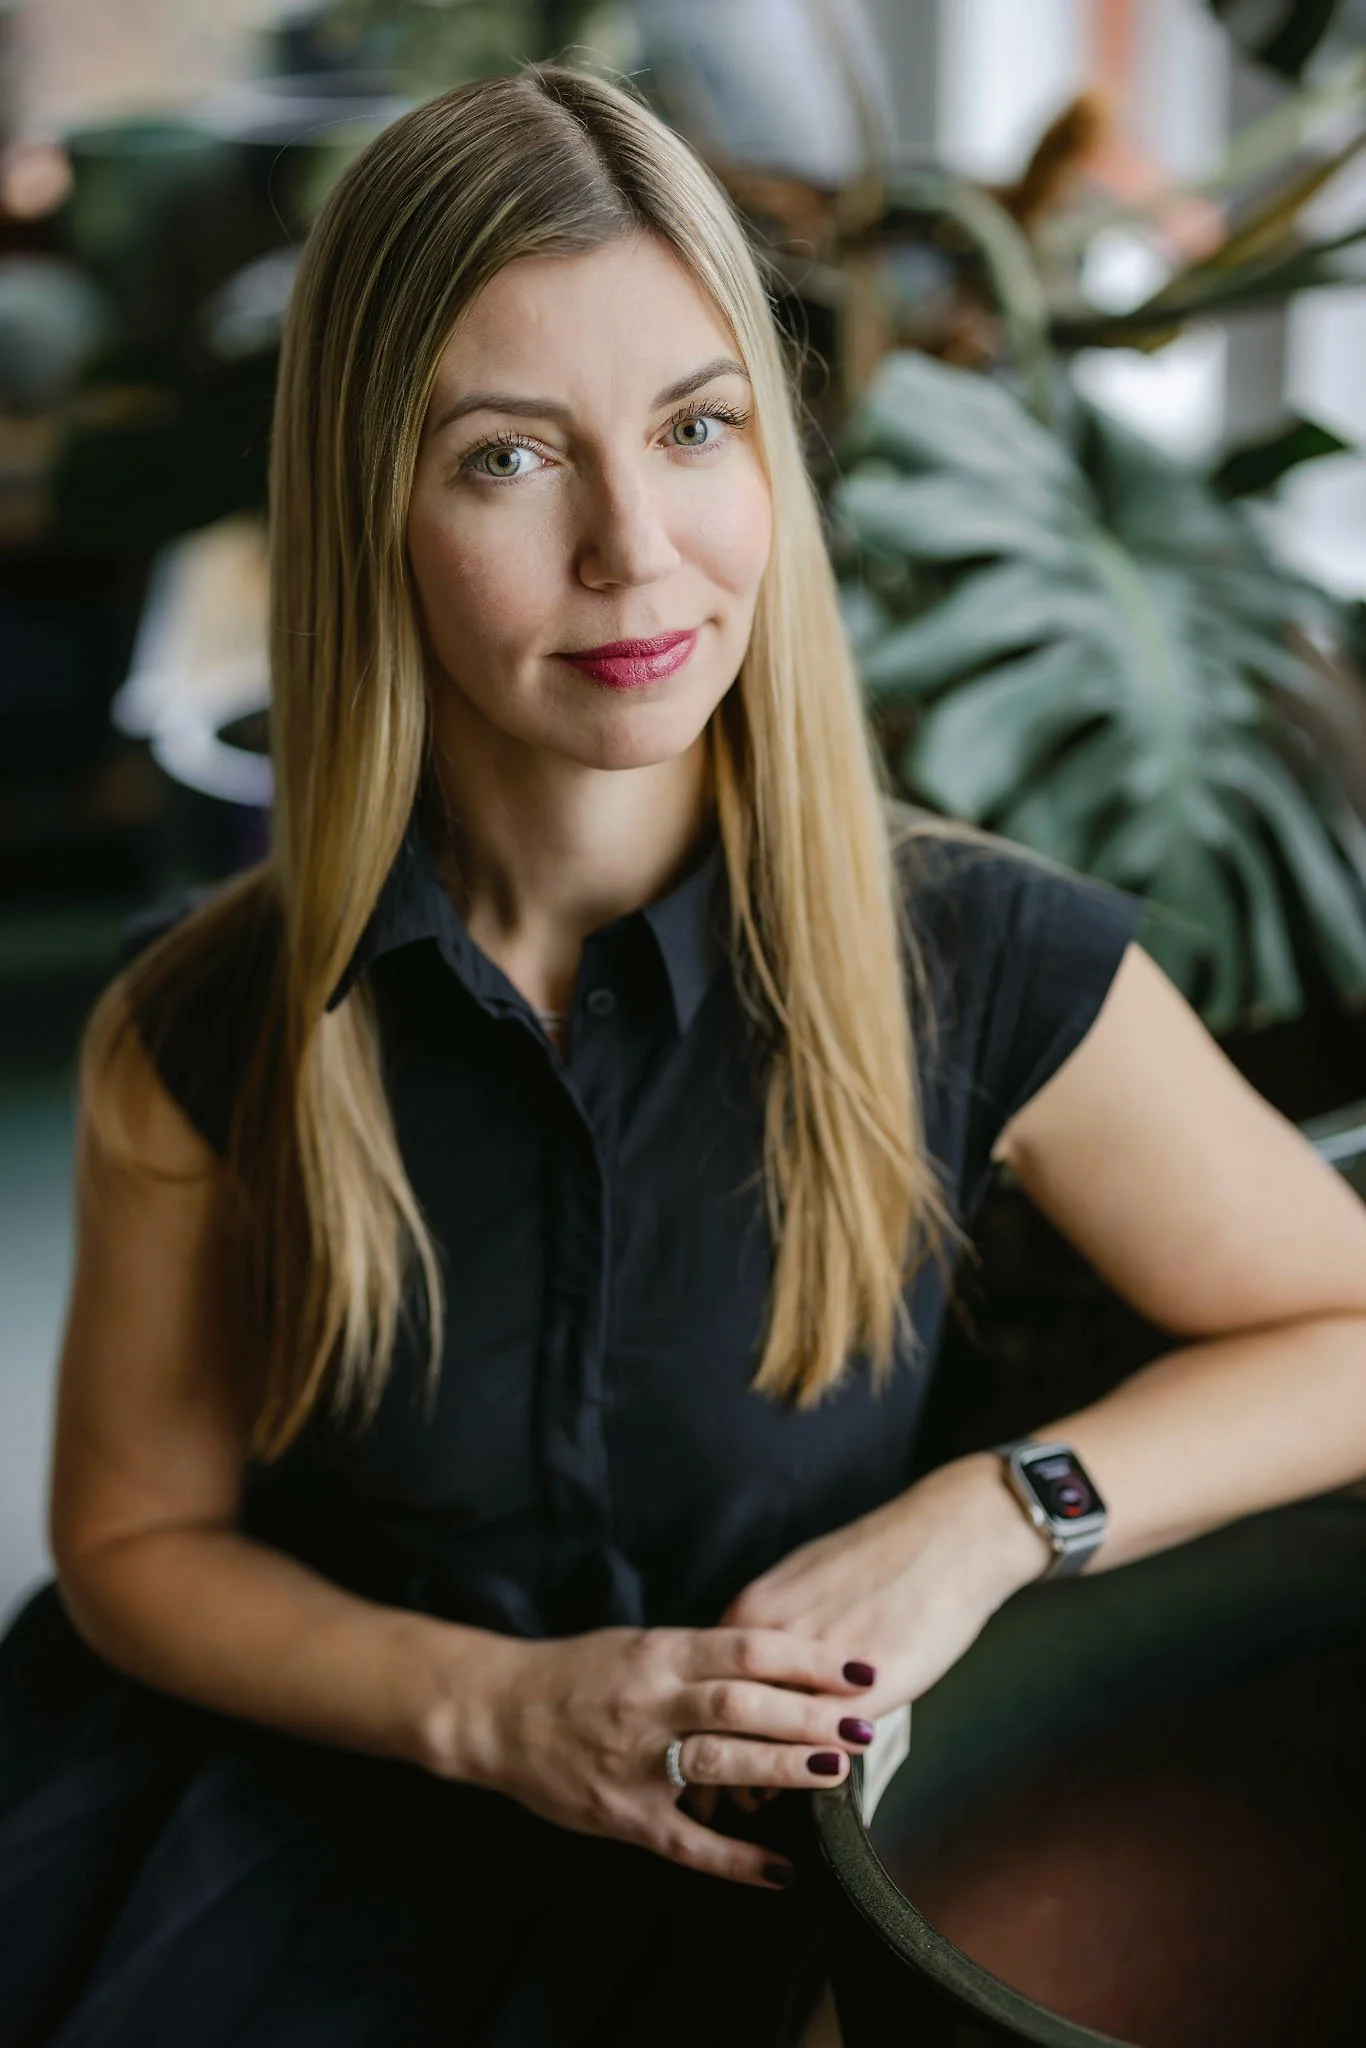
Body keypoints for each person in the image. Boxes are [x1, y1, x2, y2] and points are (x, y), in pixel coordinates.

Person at [3, 61, 1366, 2048]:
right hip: (295, 1828)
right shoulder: (203, 1023)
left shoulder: (974, 957)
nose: (634, 549)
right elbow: (133, 1546)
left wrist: (989, 1517)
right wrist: (491, 1707)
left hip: (765, 1892)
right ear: (370, 504)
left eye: (693, 426)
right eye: (505, 457)